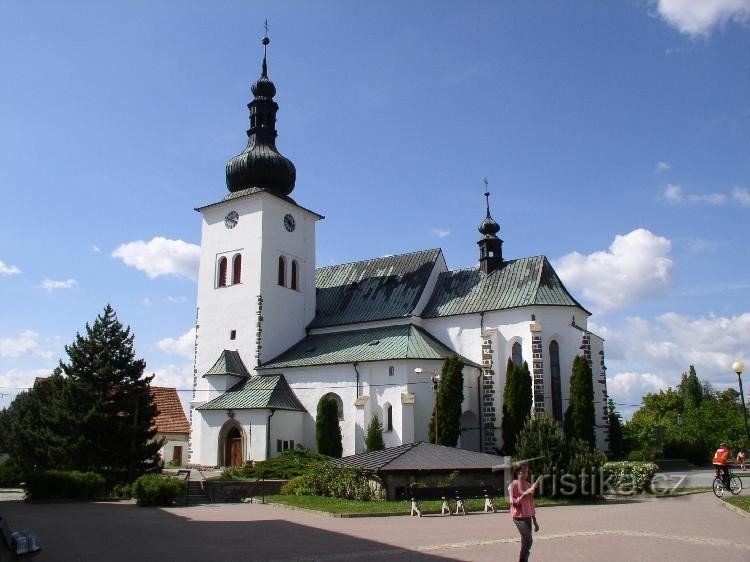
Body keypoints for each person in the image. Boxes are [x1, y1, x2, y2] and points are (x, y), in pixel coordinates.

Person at [508, 463, 541, 562]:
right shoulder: (513, 485)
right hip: (518, 517)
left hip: (528, 517)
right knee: (528, 540)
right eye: (524, 471)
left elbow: (531, 504)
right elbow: (513, 503)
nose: (526, 473)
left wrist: (535, 521)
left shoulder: (528, 484)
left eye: (527, 471)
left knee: (525, 542)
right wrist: (524, 495)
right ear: (518, 472)